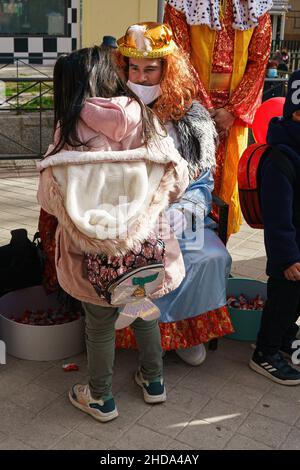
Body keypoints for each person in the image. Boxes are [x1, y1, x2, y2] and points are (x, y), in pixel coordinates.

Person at [37, 45, 190, 421]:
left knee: (100, 324)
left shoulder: (70, 127)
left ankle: (101, 398)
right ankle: (154, 382)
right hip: (145, 246)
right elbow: (178, 178)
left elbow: (50, 194)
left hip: (91, 252)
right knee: (144, 309)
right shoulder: (145, 118)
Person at [116, 22, 233, 365]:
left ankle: (186, 330)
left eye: (150, 69)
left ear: (167, 70)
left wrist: (182, 214)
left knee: (207, 257)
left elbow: (202, 181)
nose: (141, 77)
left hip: (182, 214)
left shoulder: (191, 117)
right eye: (133, 68)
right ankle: (144, 335)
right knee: (134, 256)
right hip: (128, 214)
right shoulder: (113, 112)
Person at [164, 0, 273, 236]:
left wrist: (232, 112)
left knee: (226, 191)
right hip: (189, 113)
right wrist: (204, 111)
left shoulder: (256, 6)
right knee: (187, 183)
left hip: (232, 120)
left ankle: (219, 255)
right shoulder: (181, 4)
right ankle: (186, 254)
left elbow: (259, 62)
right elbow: (178, 57)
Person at [249, 70, 300, 385]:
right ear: (297, 113)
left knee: (296, 303)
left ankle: (282, 337)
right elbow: (278, 215)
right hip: (290, 255)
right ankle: (265, 352)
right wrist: (287, 258)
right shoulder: (281, 158)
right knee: (283, 300)